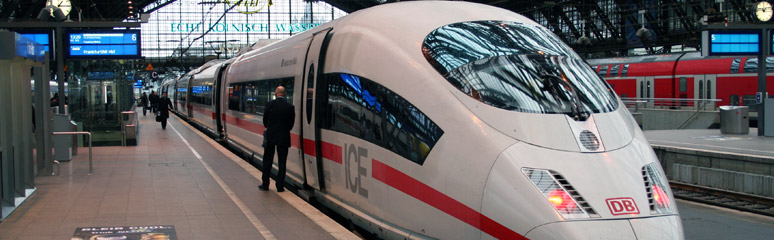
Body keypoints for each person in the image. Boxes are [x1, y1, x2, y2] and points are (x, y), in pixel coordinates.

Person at [259, 86, 295, 192]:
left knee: (267, 161)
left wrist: (270, 128)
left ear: (276, 93)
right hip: (284, 137)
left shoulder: (269, 104)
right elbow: (290, 124)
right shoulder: (290, 107)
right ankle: (280, 186)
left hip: (270, 136)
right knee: (282, 162)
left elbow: (265, 121)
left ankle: (265, 184)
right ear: (285, 94)